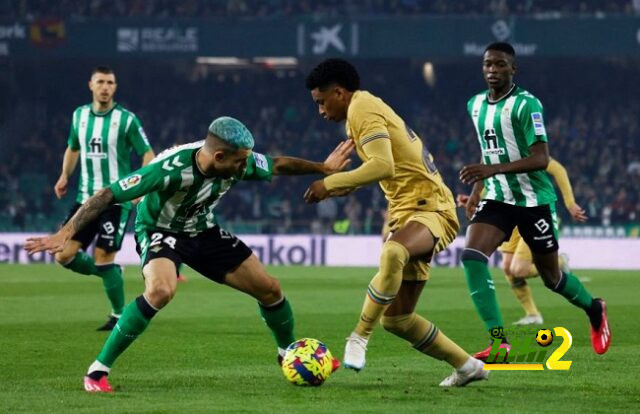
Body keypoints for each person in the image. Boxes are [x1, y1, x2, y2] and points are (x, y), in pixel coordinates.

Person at [25, 116, 351, 393]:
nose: (245, 167)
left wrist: (323, 167)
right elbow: (109, 193)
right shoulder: (169, 169)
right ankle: (97, 371)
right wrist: (66, 232)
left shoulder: (238, 161)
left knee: (270, 289)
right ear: (219, 156)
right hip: (159, 231)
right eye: (238, 162)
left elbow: (278, 164)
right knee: (160, 290)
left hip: (203, 230)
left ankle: (287, 352)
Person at [304, 58, 488, 387]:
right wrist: (343, 187)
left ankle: (358, 337)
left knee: (392, 253)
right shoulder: (359, 113)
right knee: (399, 319)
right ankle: (467, 366)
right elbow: (388, 170)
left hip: (432, 207)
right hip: (408, 211)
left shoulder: (362, 108)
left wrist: (329, 184)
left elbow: (382, 167)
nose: (319, 111)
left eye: (321, 102)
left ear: (340, 93)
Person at [458, 42, 610, 361]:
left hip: (533, 201)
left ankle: (594, 308)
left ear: (513, 69)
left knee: (552, 278)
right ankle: (500, 342)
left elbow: (541, 158)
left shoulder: (528, 105)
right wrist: (477, 191)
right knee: (471, 255)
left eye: (500, 65)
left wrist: (492, 169)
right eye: (487, 64)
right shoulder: (474, 105)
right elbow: (490, 152)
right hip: (499, 197)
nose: (492, 70)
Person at [53, 66, 155, 331]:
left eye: (110, 82)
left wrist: (140, 188)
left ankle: (119, 314)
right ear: (91, 85)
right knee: (63, 255)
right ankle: (109, 273)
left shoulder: (127, 120)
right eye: (100, 82)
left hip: (115, 200)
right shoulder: (79, 116)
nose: (105, 87)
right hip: (85, 199)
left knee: (103, 254)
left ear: (115, 87)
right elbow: (73, 148)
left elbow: (147, 154)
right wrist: (64, 175)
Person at [457, 157, 588, 325]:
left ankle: (559, 261)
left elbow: (558, 169)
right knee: (508, 268)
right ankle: (533, 314)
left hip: (531, 211)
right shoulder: (493, 149)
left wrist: (570, 203)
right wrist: (474, 198)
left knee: (519, 269)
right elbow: (501, 185)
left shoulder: (523, 148)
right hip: (505, 211)